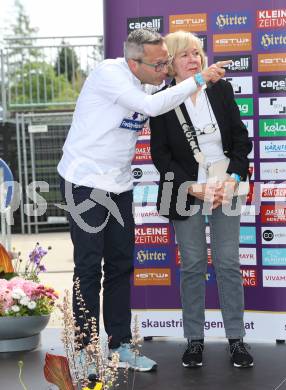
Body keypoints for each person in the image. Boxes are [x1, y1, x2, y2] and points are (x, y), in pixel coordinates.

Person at [57, 28, 227, 372]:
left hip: (119, 186)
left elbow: (166, 96)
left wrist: (191, 78)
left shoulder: (149, 80)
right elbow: (152, 104)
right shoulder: (110, 74)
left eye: (167, 61)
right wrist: (197, 80)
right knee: (89, 267)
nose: (164, 69)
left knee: (121, 265)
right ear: (135, 64)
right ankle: (84, 350)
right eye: (158, 64)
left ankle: (120, 346)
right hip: (85, 183)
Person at [150, 31, 253, 369]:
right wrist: (191, 187)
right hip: (185, 190)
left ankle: (236, 340)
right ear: (172, 63)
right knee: (193, 265)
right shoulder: (162, 100)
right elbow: (160, 156)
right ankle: (194, 341)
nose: (194, 59)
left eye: (197, 53)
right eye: (186, 55)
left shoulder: (220, 89)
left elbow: (241, 139)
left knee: (227, 263)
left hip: (227, 185)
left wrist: (233, 180)